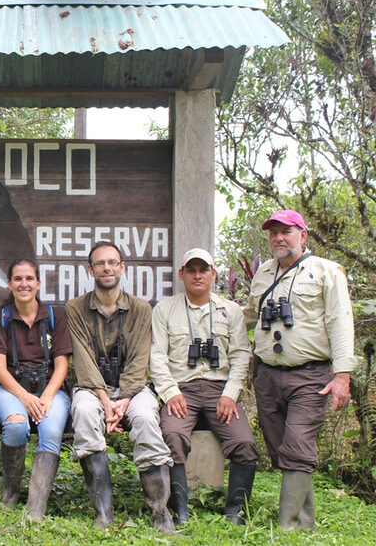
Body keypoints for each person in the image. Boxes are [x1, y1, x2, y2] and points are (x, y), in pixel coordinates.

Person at [243, 209, 357, 530]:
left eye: (286, 232)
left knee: (297, 442)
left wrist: (342, 375)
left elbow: (340, 322)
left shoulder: (326, 271)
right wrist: (211, 315)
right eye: (273, 232)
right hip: (267, 374)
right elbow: (249, 315)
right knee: (280, 445)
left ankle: (288, 526)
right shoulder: (263, 273)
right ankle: (306, 521)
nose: (278, 238)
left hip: (310, 375)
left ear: (303, 235)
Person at [66, 241, 175, 534]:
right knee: (84, 414)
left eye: (112, 262)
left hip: (133, 388)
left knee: (146, 418)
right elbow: (84, 360)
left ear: (122, 267)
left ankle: (160, 512)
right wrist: (106, 401)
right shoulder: (75, 308)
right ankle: (104, 513)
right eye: (100, 263)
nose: (107, 268)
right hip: (93, 388)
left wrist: (123, 400)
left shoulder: (141, 309)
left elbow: (139, 360)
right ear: (91, 270)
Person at [150, 248, 258, 526]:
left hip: (219, 390)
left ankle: (235, 511)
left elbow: (240, 356)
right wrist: (170, 393)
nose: (197, 275)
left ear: (213, 274)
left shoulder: (230, 311)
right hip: (181, 389)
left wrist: (230, 395)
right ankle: (180, 510)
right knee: (172, 436)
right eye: (191, 270)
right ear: (181, 274)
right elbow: (157, 357)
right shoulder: (165, 310)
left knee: (244, 443)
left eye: (203, 270)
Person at [0, 259, 71, 519]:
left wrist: (46, 397)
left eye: (29, 278)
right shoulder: (0, 318)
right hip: (10, 390)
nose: (24, 284)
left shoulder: (54, 316)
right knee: (15, 424)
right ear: (9, 284)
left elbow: (62, 364)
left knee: (51, 429)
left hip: (50, 390)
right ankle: (11, 493)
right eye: (18, 279)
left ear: (38, 283)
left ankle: (36, 507)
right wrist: (25, 397)